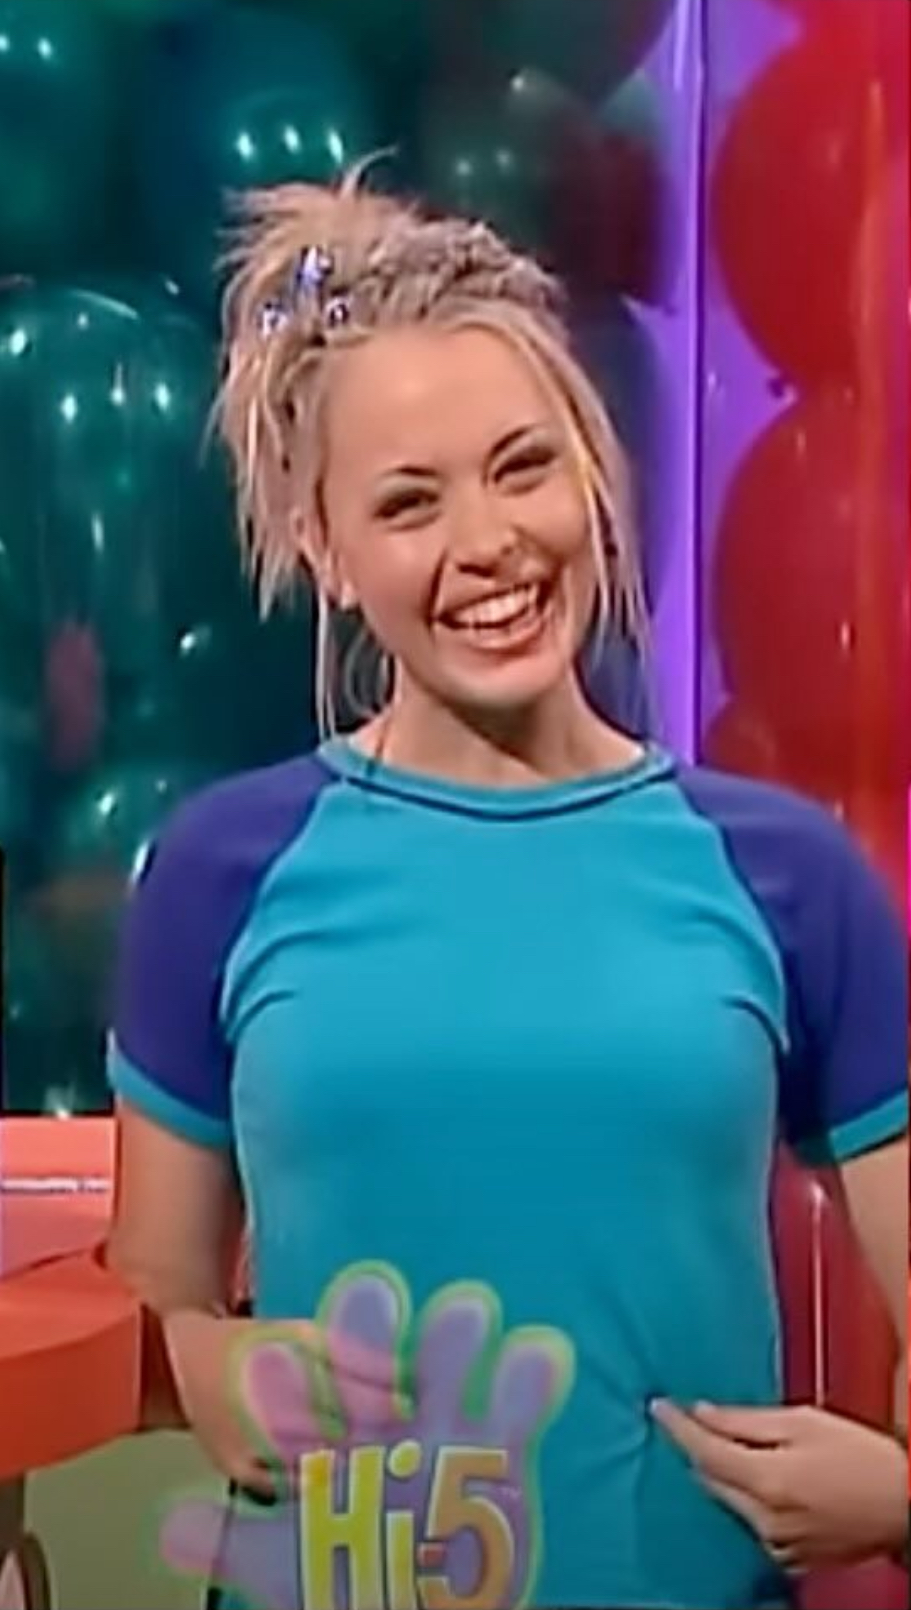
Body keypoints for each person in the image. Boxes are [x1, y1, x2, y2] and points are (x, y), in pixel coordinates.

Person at [105, 174, 907, 1610]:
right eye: (409, 502)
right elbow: (144, 1311)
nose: (488, 542)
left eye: (523, 467)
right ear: (324, 550)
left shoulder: (787, 873)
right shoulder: (220, 872)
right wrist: (196, 1356)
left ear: (592, 475)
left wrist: (904, 1501)